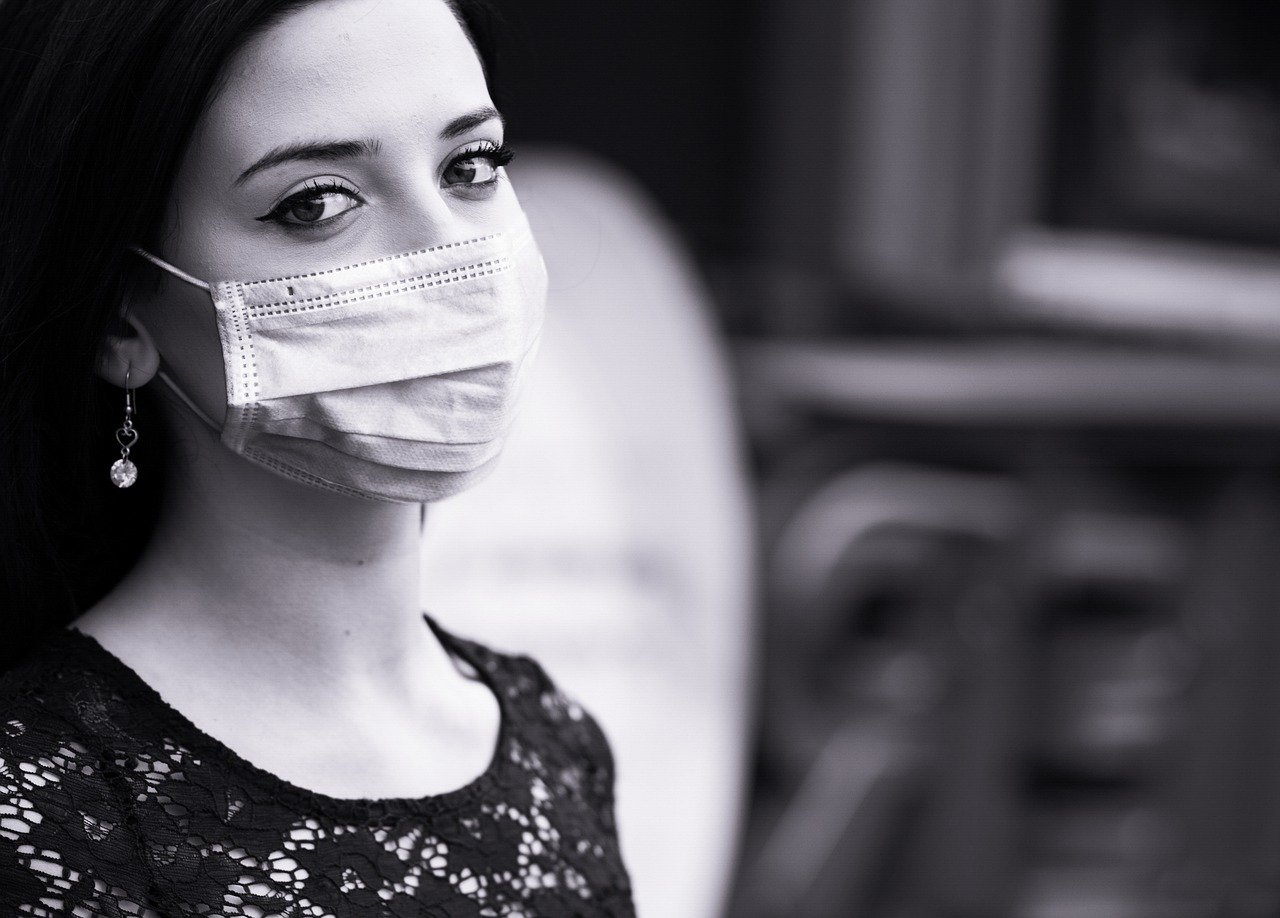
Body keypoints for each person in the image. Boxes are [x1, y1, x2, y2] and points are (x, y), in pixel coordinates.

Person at [0, 0, 636, 913]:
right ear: (119, 320)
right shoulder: (42, 807)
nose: (453, 248)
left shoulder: (559, 746)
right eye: (316, 203)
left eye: (471, 165)